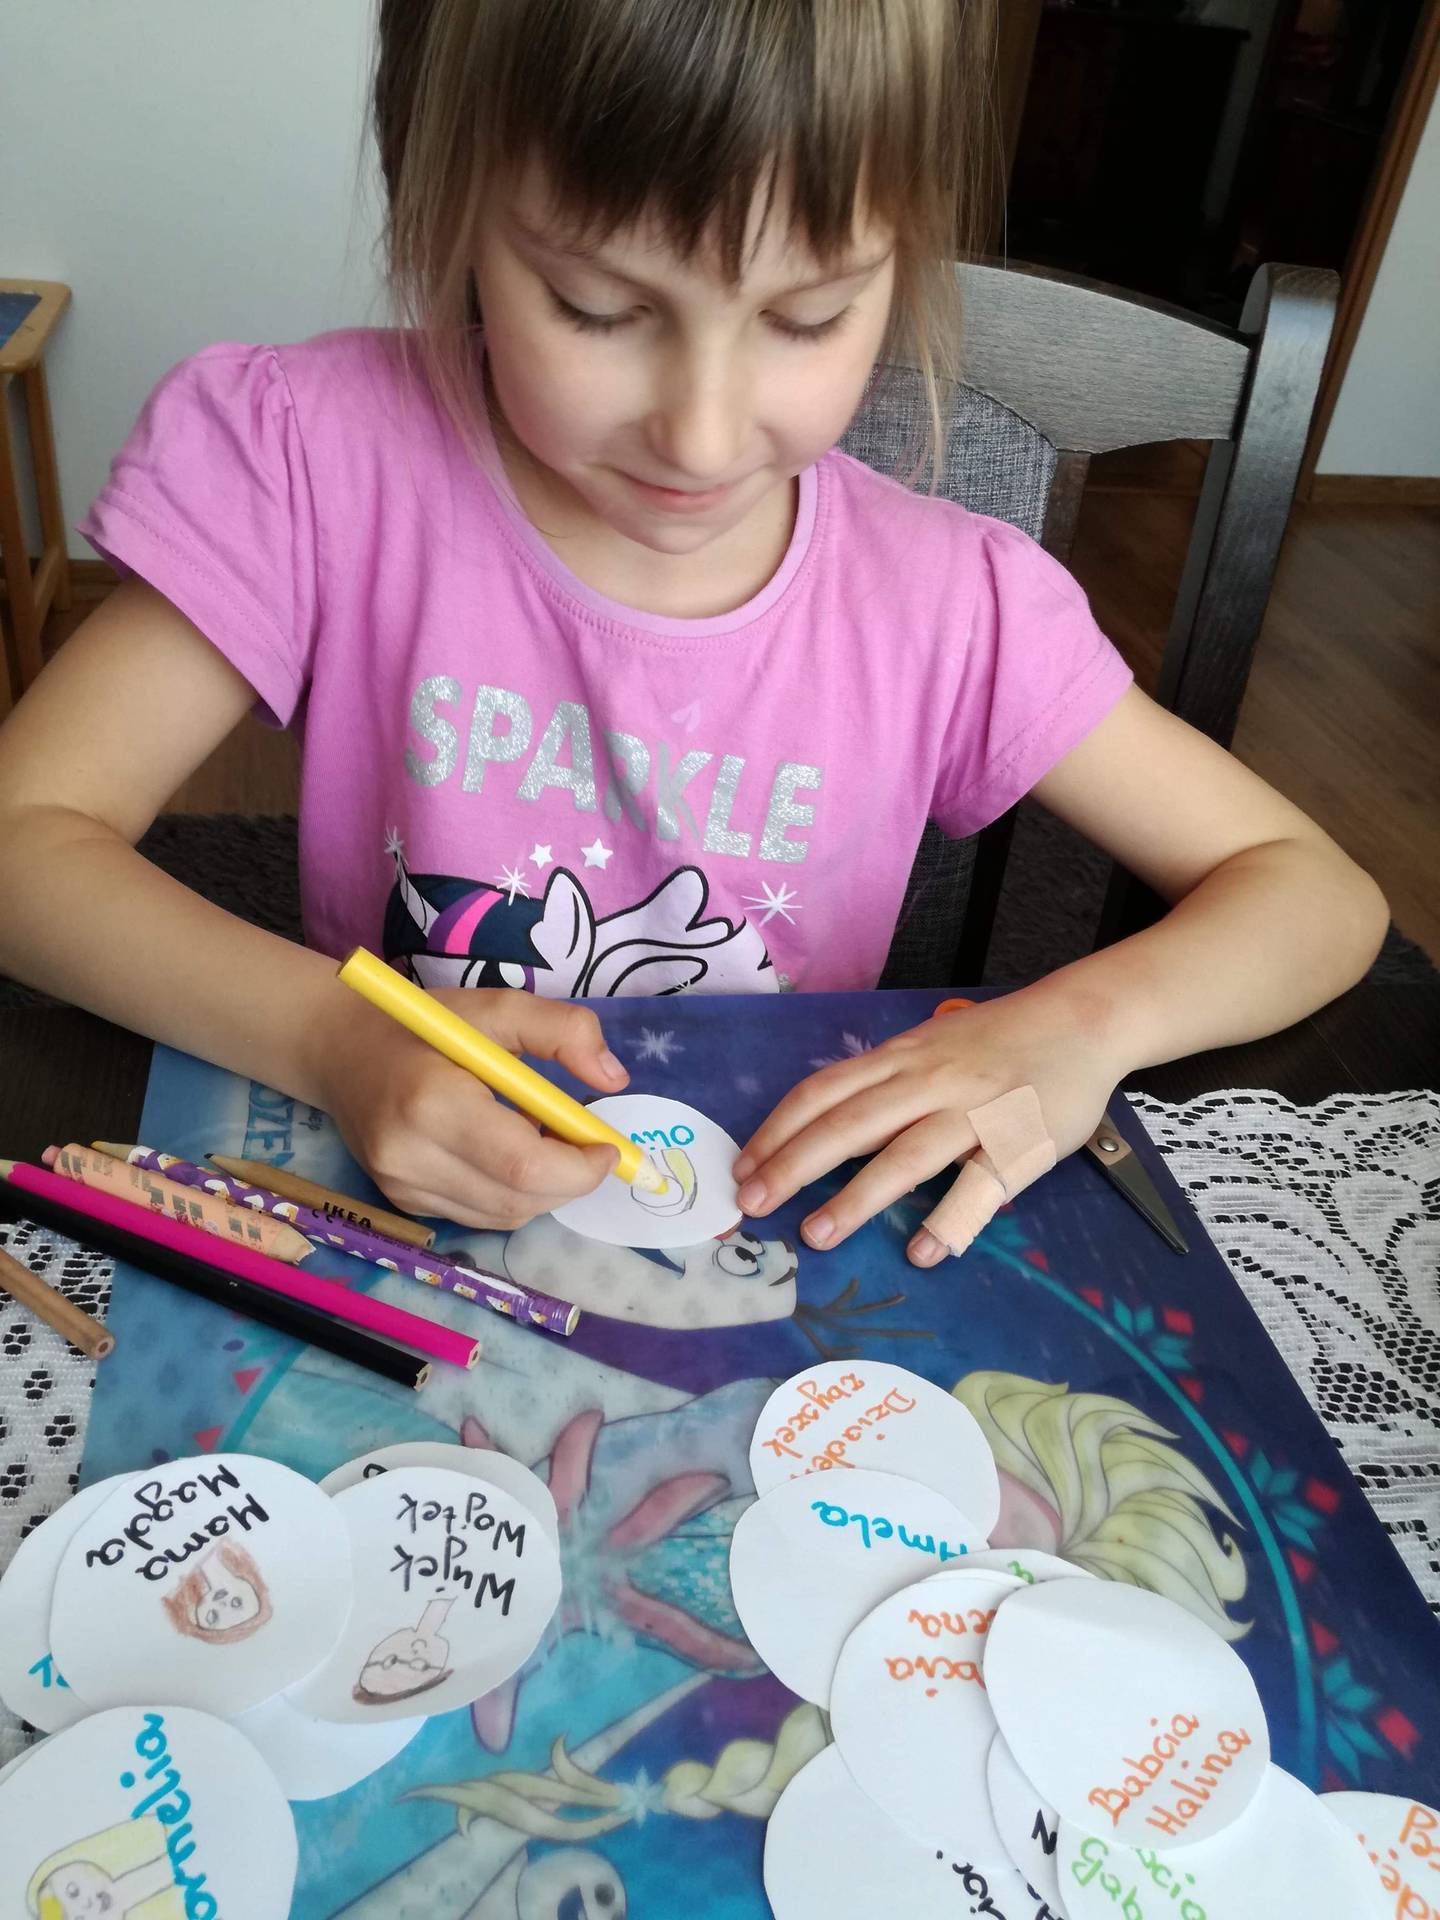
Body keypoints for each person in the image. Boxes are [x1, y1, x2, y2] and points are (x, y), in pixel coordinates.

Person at [0, 0, 1385, 1267]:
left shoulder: (954, 602)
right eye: (599, 309)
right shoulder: (305, 461)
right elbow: (23, 846)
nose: (704, 436)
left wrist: (1074, 1029)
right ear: (449, 205)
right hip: (394, 1209)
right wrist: (331, 1036)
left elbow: (1315, 896)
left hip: (765, 1238)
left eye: (809, 316)